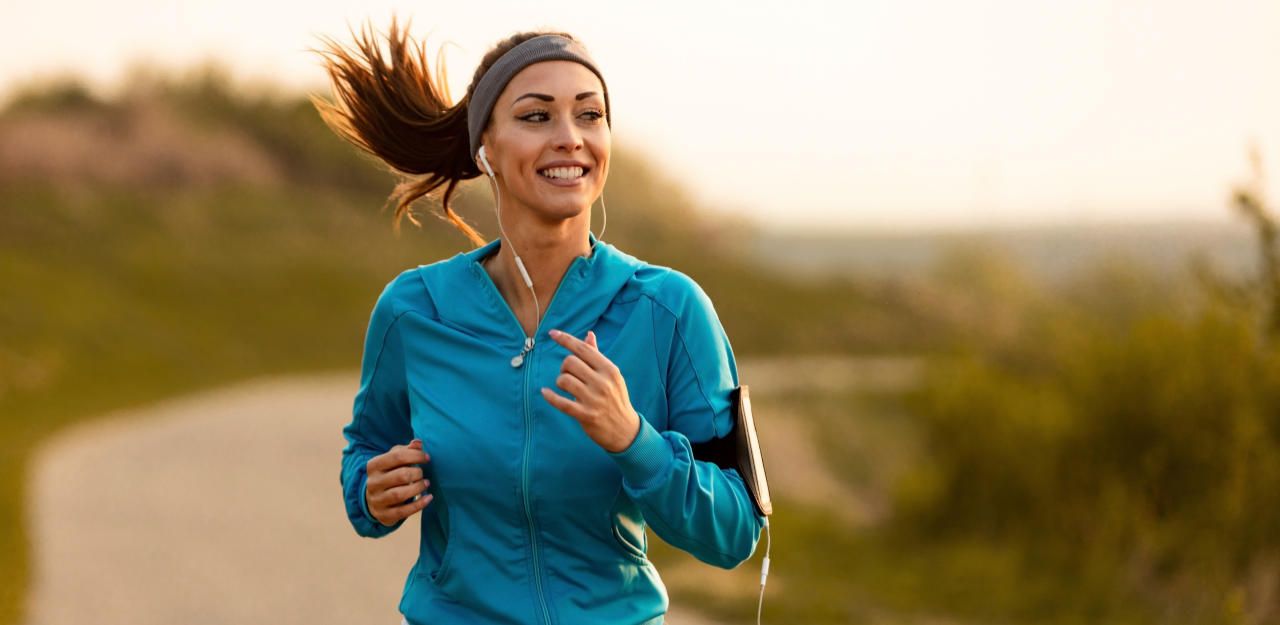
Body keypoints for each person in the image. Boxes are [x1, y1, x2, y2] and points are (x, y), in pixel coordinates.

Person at [313, 17, 766, 625]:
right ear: (486, 149)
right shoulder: (414, 311)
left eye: (589, 115)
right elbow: (366, 450)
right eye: (536, 116)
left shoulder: (669, 310)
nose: (570, 137)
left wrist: (636, 441)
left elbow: (736, 532)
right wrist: (370, 494)